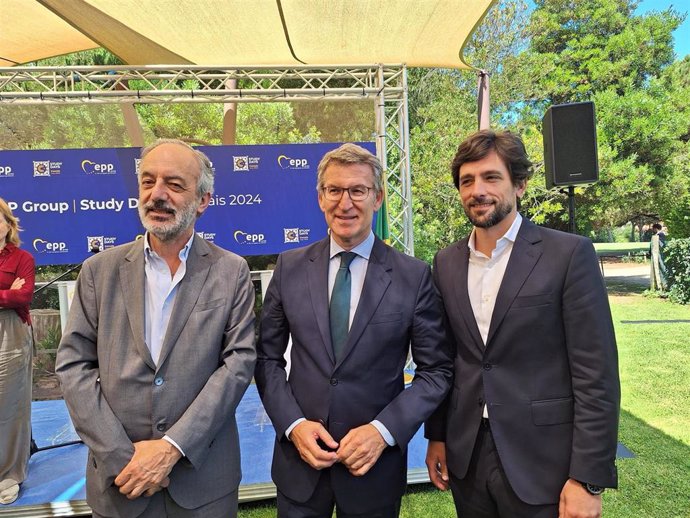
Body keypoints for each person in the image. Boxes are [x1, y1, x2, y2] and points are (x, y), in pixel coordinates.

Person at [56, 139, 256, 518]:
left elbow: (238, 364)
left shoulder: (231, 271)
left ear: (203, 201)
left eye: (175, 185)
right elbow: (73, 367)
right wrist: (122, 455)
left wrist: (171, 448)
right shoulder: (99, 272)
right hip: (121, 481)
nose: (157, 195)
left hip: (203, 482)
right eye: (148, 182)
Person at [425, 130, 620, 518]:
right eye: (467, 181)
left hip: (543, 461)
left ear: (520, 184)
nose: (477, 190)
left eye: (491, 177)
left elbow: (596, 375)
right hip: (468, 457)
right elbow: (446, 360)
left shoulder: (567, 254)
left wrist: (588, 478)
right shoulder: (445, 263)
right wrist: (438, 436)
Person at [255, 143, 452, 517]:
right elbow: (266, 359)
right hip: (300, 465)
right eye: (334, 190)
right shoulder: (289, 267)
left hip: (372, 468)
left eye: (358, 190)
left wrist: (383, 430)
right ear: (320, 197)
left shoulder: (413, 276)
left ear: (377, 198)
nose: (345, 202)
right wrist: (294, 425)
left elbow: (436, 371)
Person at [0, 197, 35, 505]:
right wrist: (5, 293)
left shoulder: (22, 257)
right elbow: (11, 293)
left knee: (10, 406)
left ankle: (10, 474)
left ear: (8, 225)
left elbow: (23, 297)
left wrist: (13, 295)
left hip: (10, 332)